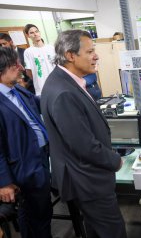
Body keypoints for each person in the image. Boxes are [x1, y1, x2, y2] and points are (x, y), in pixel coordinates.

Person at [40, 30, 127, 238]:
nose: (96, 56)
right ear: (70, 55)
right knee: (112, 231)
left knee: (96, 228)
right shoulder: (63, 92)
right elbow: (84, 145)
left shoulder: (66, 81)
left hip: (84, 175)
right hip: (87, 178)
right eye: (90, 52)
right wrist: (116, 161)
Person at [0, 47, 52, 238]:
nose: (21, 67)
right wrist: (4, 183)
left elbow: (38, 103)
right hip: (23, 167)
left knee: (43, 212)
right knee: (32, 218)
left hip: (41, 159)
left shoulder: (17, 89)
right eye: (15, 65)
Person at [23, 24, 55, 96]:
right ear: (28, 36)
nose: (35, 34)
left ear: (39, 32)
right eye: (32, 33)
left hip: (57, 85)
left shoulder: (51, 48)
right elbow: (28, 72)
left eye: (36, 31)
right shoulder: (28, 52)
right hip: (41, 89)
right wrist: (38, 79)